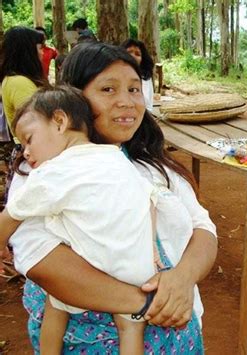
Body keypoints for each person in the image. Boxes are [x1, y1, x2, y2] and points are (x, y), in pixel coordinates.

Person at [7, 42, 217, 352]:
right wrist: (148, 303)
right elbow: (40, 259)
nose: (127, 102)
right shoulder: (42, 168)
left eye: (134, 90)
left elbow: (203, 227)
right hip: (88, 336)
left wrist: (183, 279)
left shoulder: (151, 163)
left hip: (174, 331)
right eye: (108, 90)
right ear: (74, 99)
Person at [0, 86, 164, 354]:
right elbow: (150, 201)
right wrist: (152, 248)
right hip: (140, 272)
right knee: (131, 328)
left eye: (29, 140)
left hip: (96, 274)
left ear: (60, 122)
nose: (26, 153)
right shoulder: (116, 157)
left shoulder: (53, 172)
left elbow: (11, 215)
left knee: (55, 304)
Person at [0, 26, 48, 201]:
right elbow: (36, 124)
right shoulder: (19, 83)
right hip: (33, 152)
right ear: (28, 50)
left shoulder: (13, 79)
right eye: (40, 47)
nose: (43, 53)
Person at [121, 38, 156, 112]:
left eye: (137, 54)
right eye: (129, 52)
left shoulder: (144, 78)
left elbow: (147, 105)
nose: (133, 56)